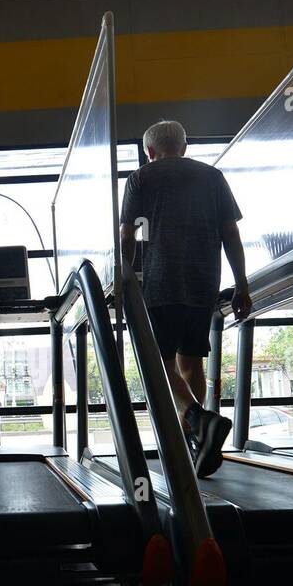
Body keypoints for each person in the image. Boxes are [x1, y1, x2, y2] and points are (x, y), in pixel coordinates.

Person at [119, 119, 252, 477]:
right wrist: (241, 284)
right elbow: (231, 233)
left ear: (149, 152)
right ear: (185, 145)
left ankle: (198, 420)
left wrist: (125, 278)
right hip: (203, 282)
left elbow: (127, 235)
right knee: (190, 363)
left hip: (160, 285)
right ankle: (194, 443)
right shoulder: (212, 176)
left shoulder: (141, 178)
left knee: (156, 364)